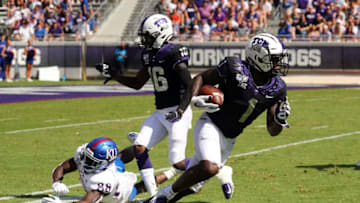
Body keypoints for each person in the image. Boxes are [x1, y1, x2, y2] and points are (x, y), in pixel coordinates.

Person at [151, 33, 292, 202]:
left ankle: (154, 200)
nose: (278, 64)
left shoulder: (278, 88)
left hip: (230, 139)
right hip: (211, 124)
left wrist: (279, 119)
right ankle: (166, 192)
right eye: (275, 59)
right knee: (209, 168)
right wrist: (192, 100)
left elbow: (272, 131)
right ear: (259, 57)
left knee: (194, 186)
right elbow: (201, 77)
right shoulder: (235, 67)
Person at [96, 14, 194, 197]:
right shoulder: (149, 55)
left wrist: (181, 110)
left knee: (178, 162)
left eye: (148, 36)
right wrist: (114, 74)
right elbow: (138, 83)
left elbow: (190, 85)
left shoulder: (174, 52)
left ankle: (214, 167)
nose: (145, 40)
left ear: (161, 34)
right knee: (140, 147)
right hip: (160, 112)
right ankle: (153, 194)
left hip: (177, 112)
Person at [41, 136, 185, 203]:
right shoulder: (85, 154)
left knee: (138, 188)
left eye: (92, 160)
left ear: (103, 163)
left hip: (119, 193)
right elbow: (62, 167)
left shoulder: (103, 180)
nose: (86, 161)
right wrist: (56, 182)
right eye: (87, 156)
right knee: (120, 157)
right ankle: (140, 145)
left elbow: (87, 202)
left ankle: (172, 172)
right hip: (112, 166)